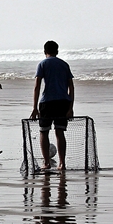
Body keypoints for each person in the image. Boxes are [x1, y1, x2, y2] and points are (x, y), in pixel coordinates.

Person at [31, 40, 75, 171]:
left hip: (47, 102)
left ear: (45, 52)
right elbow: (71, 87)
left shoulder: (42, 64)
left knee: (44, 132)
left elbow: (37, 86)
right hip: (63, 102)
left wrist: (34, 108)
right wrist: (70, 107)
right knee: (60, 132)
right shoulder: (64, 64)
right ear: (57, 51)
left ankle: (46, 162)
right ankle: (62, 163)